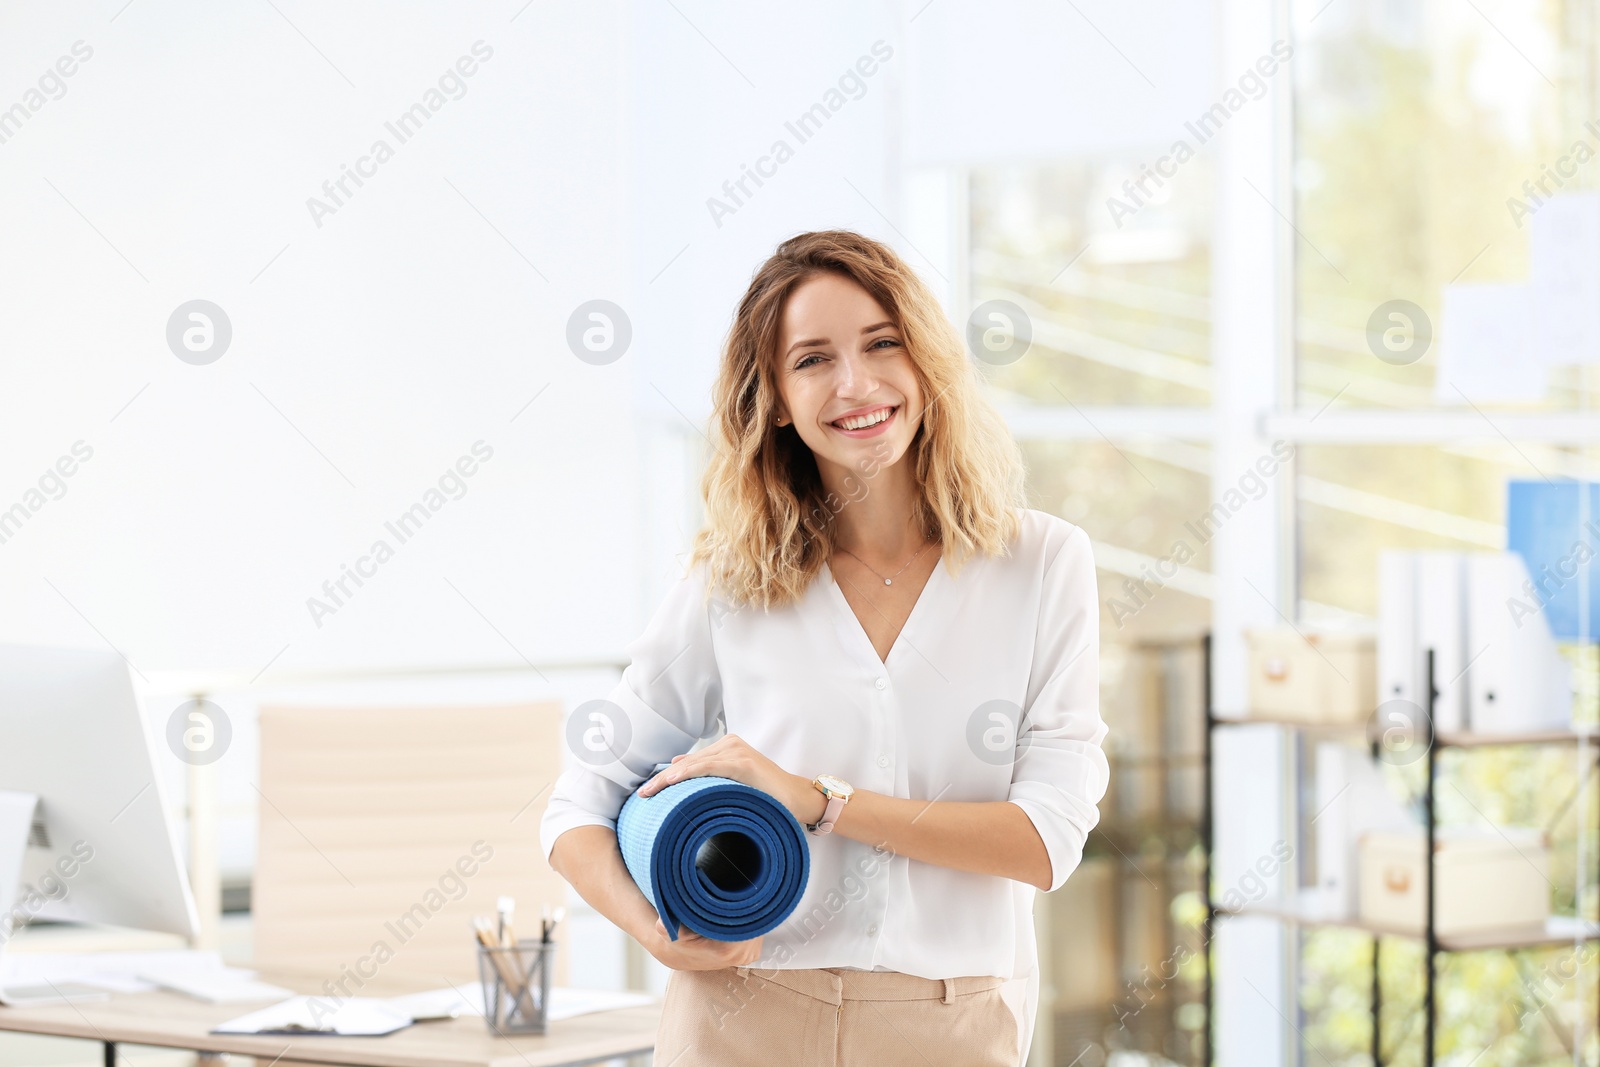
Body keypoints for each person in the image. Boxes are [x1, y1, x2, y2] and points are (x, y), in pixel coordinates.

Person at [540, 229, 1109, 1065]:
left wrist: (821, 800)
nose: (856, 384)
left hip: (950, 1021)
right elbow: (576, 810)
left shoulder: (1042, 564)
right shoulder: (728, 580)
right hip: (740, 1016)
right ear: (773, 396)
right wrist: (656, 934)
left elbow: (1046, 840)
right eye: (811, 360)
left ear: (927, 364)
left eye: (883, 343)